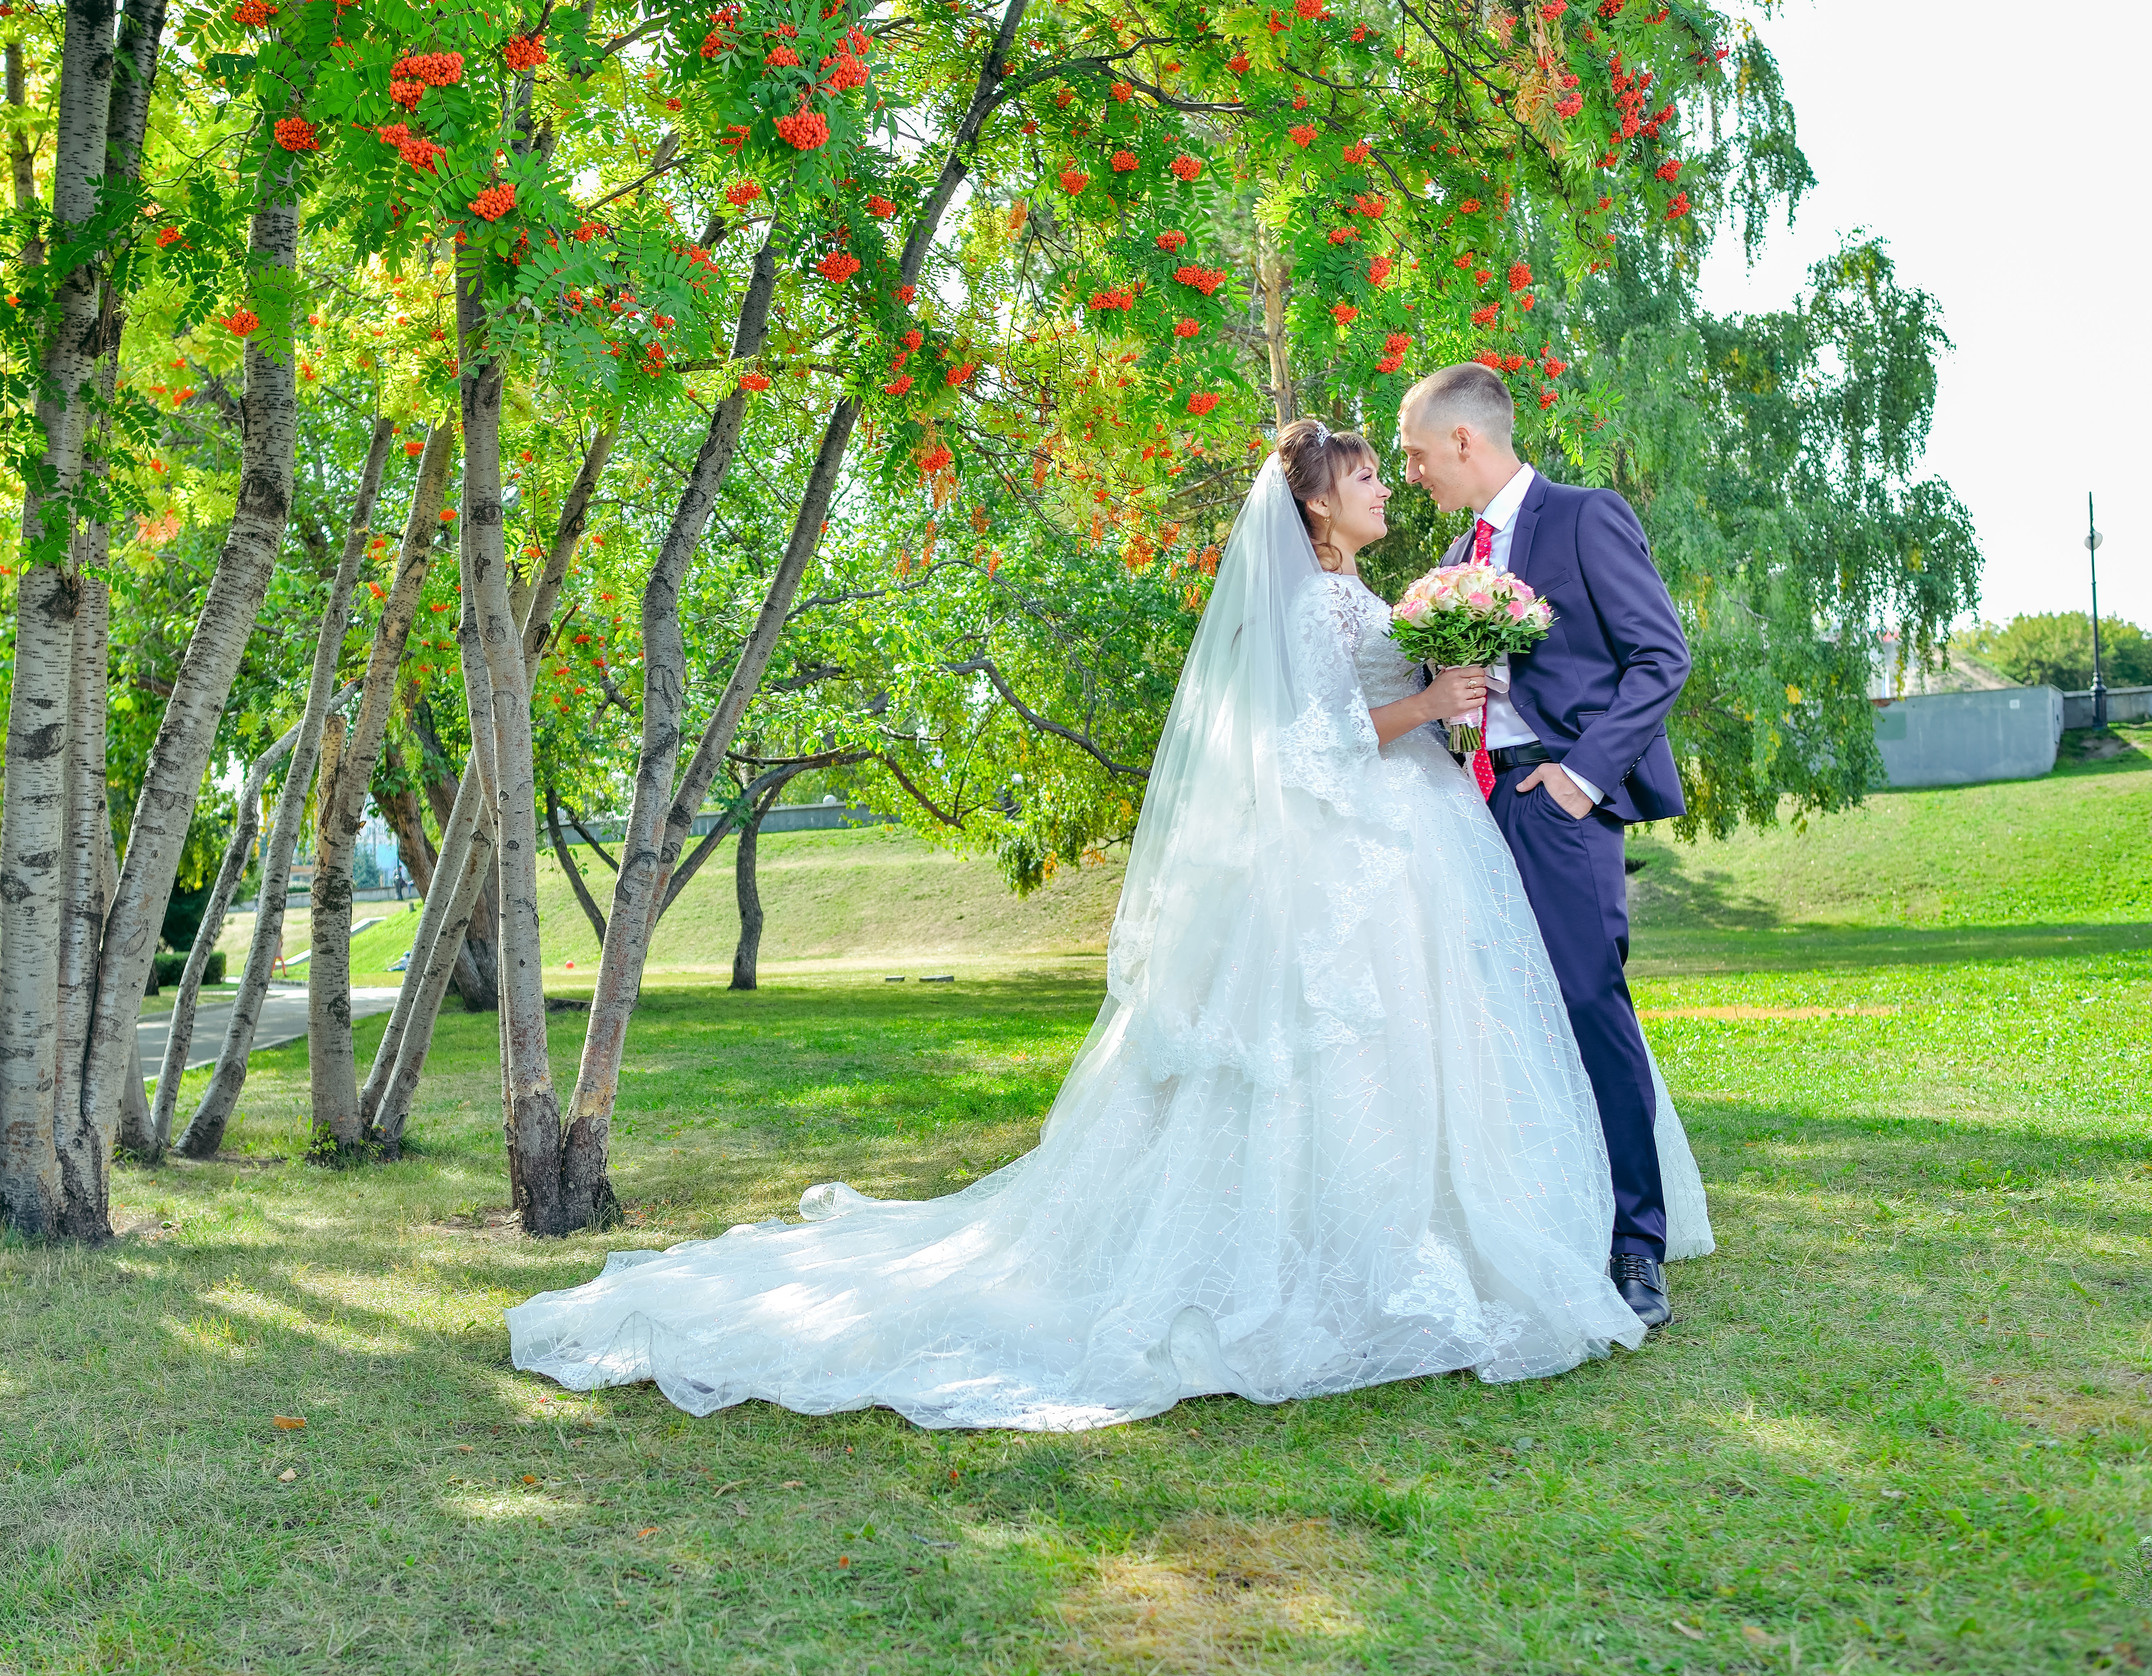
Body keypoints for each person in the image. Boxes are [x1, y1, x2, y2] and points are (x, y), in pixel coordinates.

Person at [505, 420, 1709, 1432]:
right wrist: (1424, 709)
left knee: (1437, 1043)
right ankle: (1355, 1256)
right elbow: (1296, 745)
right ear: (1316, 509)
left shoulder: (1361, 588)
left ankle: (1490, 1223)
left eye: (1394, 467)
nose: (1388, 484)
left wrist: (1450, 701)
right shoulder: (1307, 609)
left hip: (1421, 837)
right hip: (1364, 845)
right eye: (1365, 475)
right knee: (1343, 1049)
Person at [1397, 363, 1694, 1329]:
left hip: (1556, 800)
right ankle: (1548, 1221)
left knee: (1588, 1001)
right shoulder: (1455, 551)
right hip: (1477, 808)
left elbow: (1661, 654)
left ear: (1464, 442)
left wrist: (1580, 778)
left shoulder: (1581, 516)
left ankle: (1637, 1245)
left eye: (1415, 454)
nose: (1411, 473)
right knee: (1504, 1019)